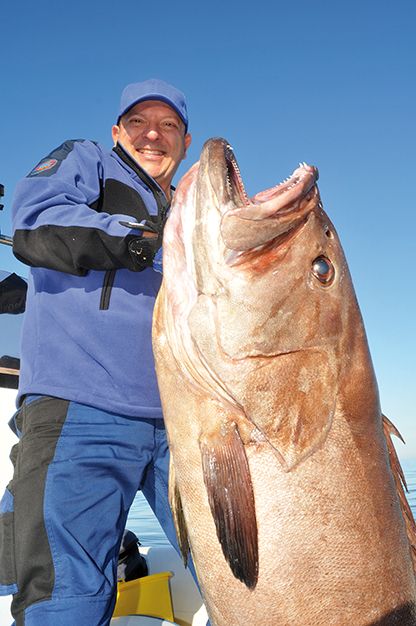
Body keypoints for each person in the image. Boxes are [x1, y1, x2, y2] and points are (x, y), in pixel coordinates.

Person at [0, 79, 193, 625]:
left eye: (169, 125)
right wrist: (138, 240)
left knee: (242, 569)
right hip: (79, 412)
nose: (153, 134)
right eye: (139, 123)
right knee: (69, 599)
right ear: (117, 132)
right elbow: (35, 219)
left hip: (182, 425)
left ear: (184, 141)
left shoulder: (189, 213)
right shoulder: (88, 162)